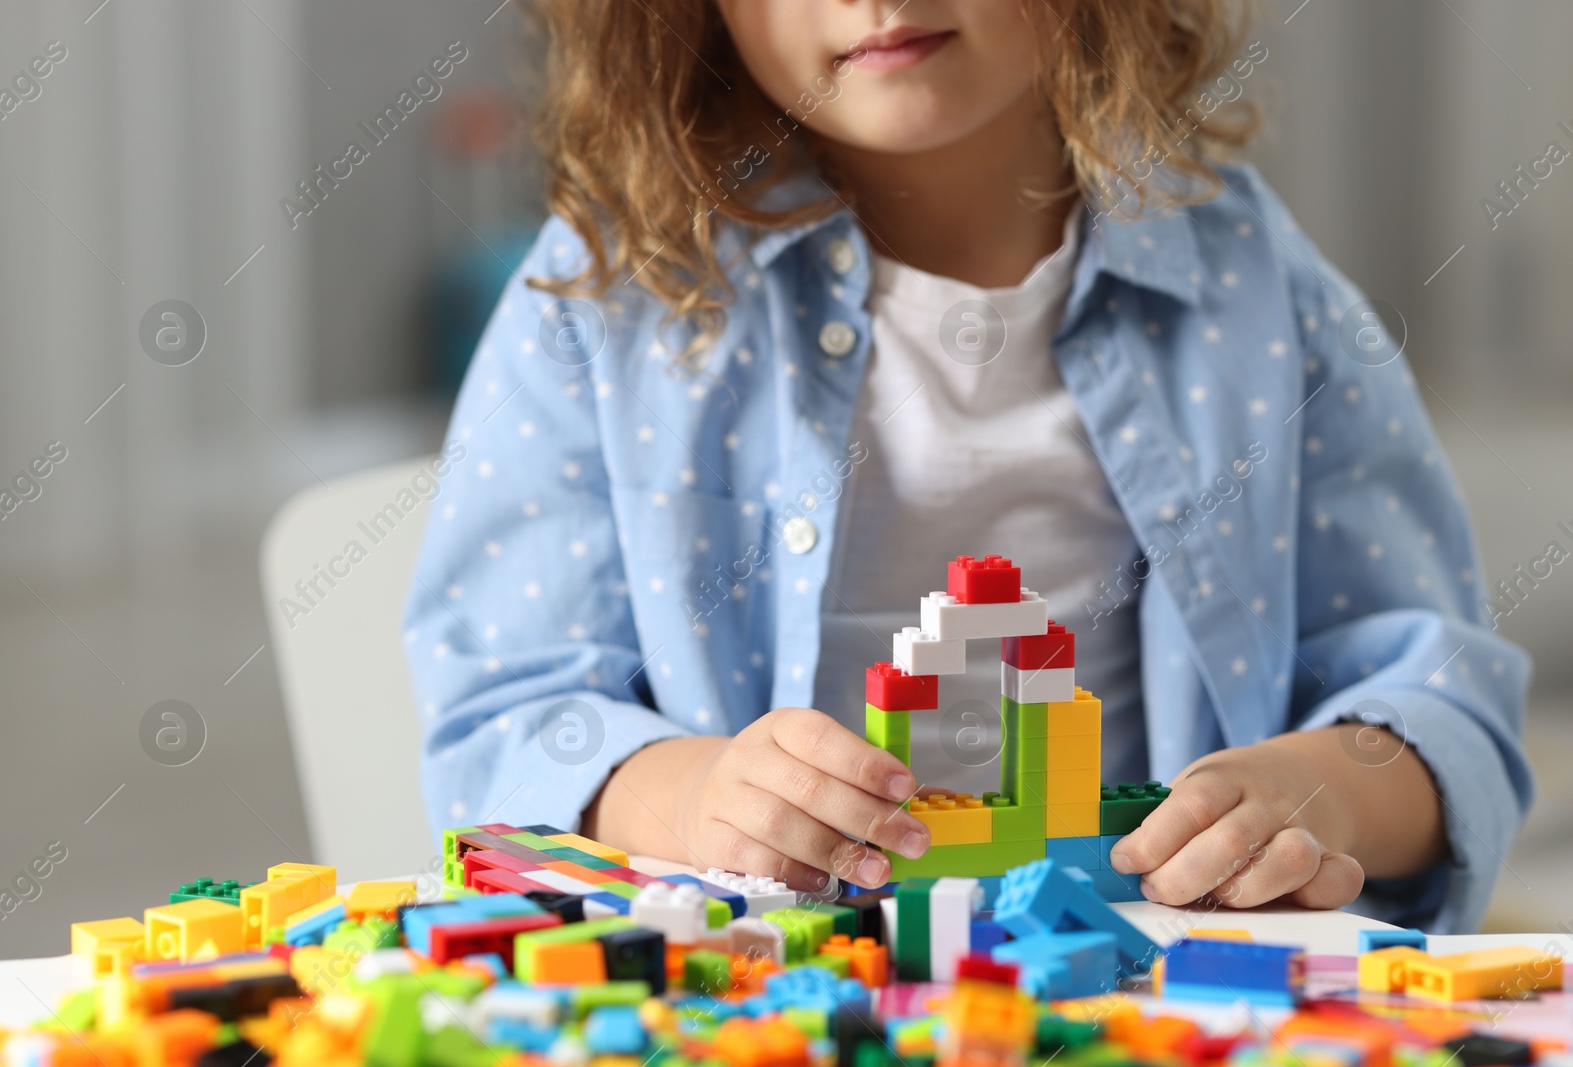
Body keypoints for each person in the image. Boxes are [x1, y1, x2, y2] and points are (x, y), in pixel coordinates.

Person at [404, 0, 1531, 931]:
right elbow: (507, 719)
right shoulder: (609, 292)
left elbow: (1439, 707)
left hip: (1144, 975)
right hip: (755, 991)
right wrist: (694, 794)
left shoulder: (1253, 283)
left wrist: (1316, 790)